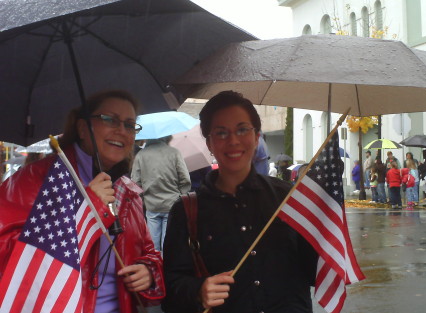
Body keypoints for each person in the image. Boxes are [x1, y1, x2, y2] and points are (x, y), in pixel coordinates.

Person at [0, 90, 164, 312]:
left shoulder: (128, 192)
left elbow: (148, 252)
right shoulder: (35, 179)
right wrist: (86, 210)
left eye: (130, 125)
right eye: (110, 119)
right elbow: (7, 253)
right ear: (82, 128)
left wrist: (147, 270)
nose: (121, 131)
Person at [162, 91, 318, 313]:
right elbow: (171, 286)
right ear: (209, 143)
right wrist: (198, 290)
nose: (233, 140)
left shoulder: (288, 198)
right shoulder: (186, 211)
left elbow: (315, 272)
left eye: (242, 129)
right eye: (221, 133)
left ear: (256, 137)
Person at [131, 136, 191, 252]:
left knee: (153, 246)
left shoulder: (141, 155)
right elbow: (185, 179)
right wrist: (180, 195)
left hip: (151, 206)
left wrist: (143, 200)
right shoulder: (174, 153)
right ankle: (167, 268)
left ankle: (155, 268)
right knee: (168, 244)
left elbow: (135, 183)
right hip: (172, 205)